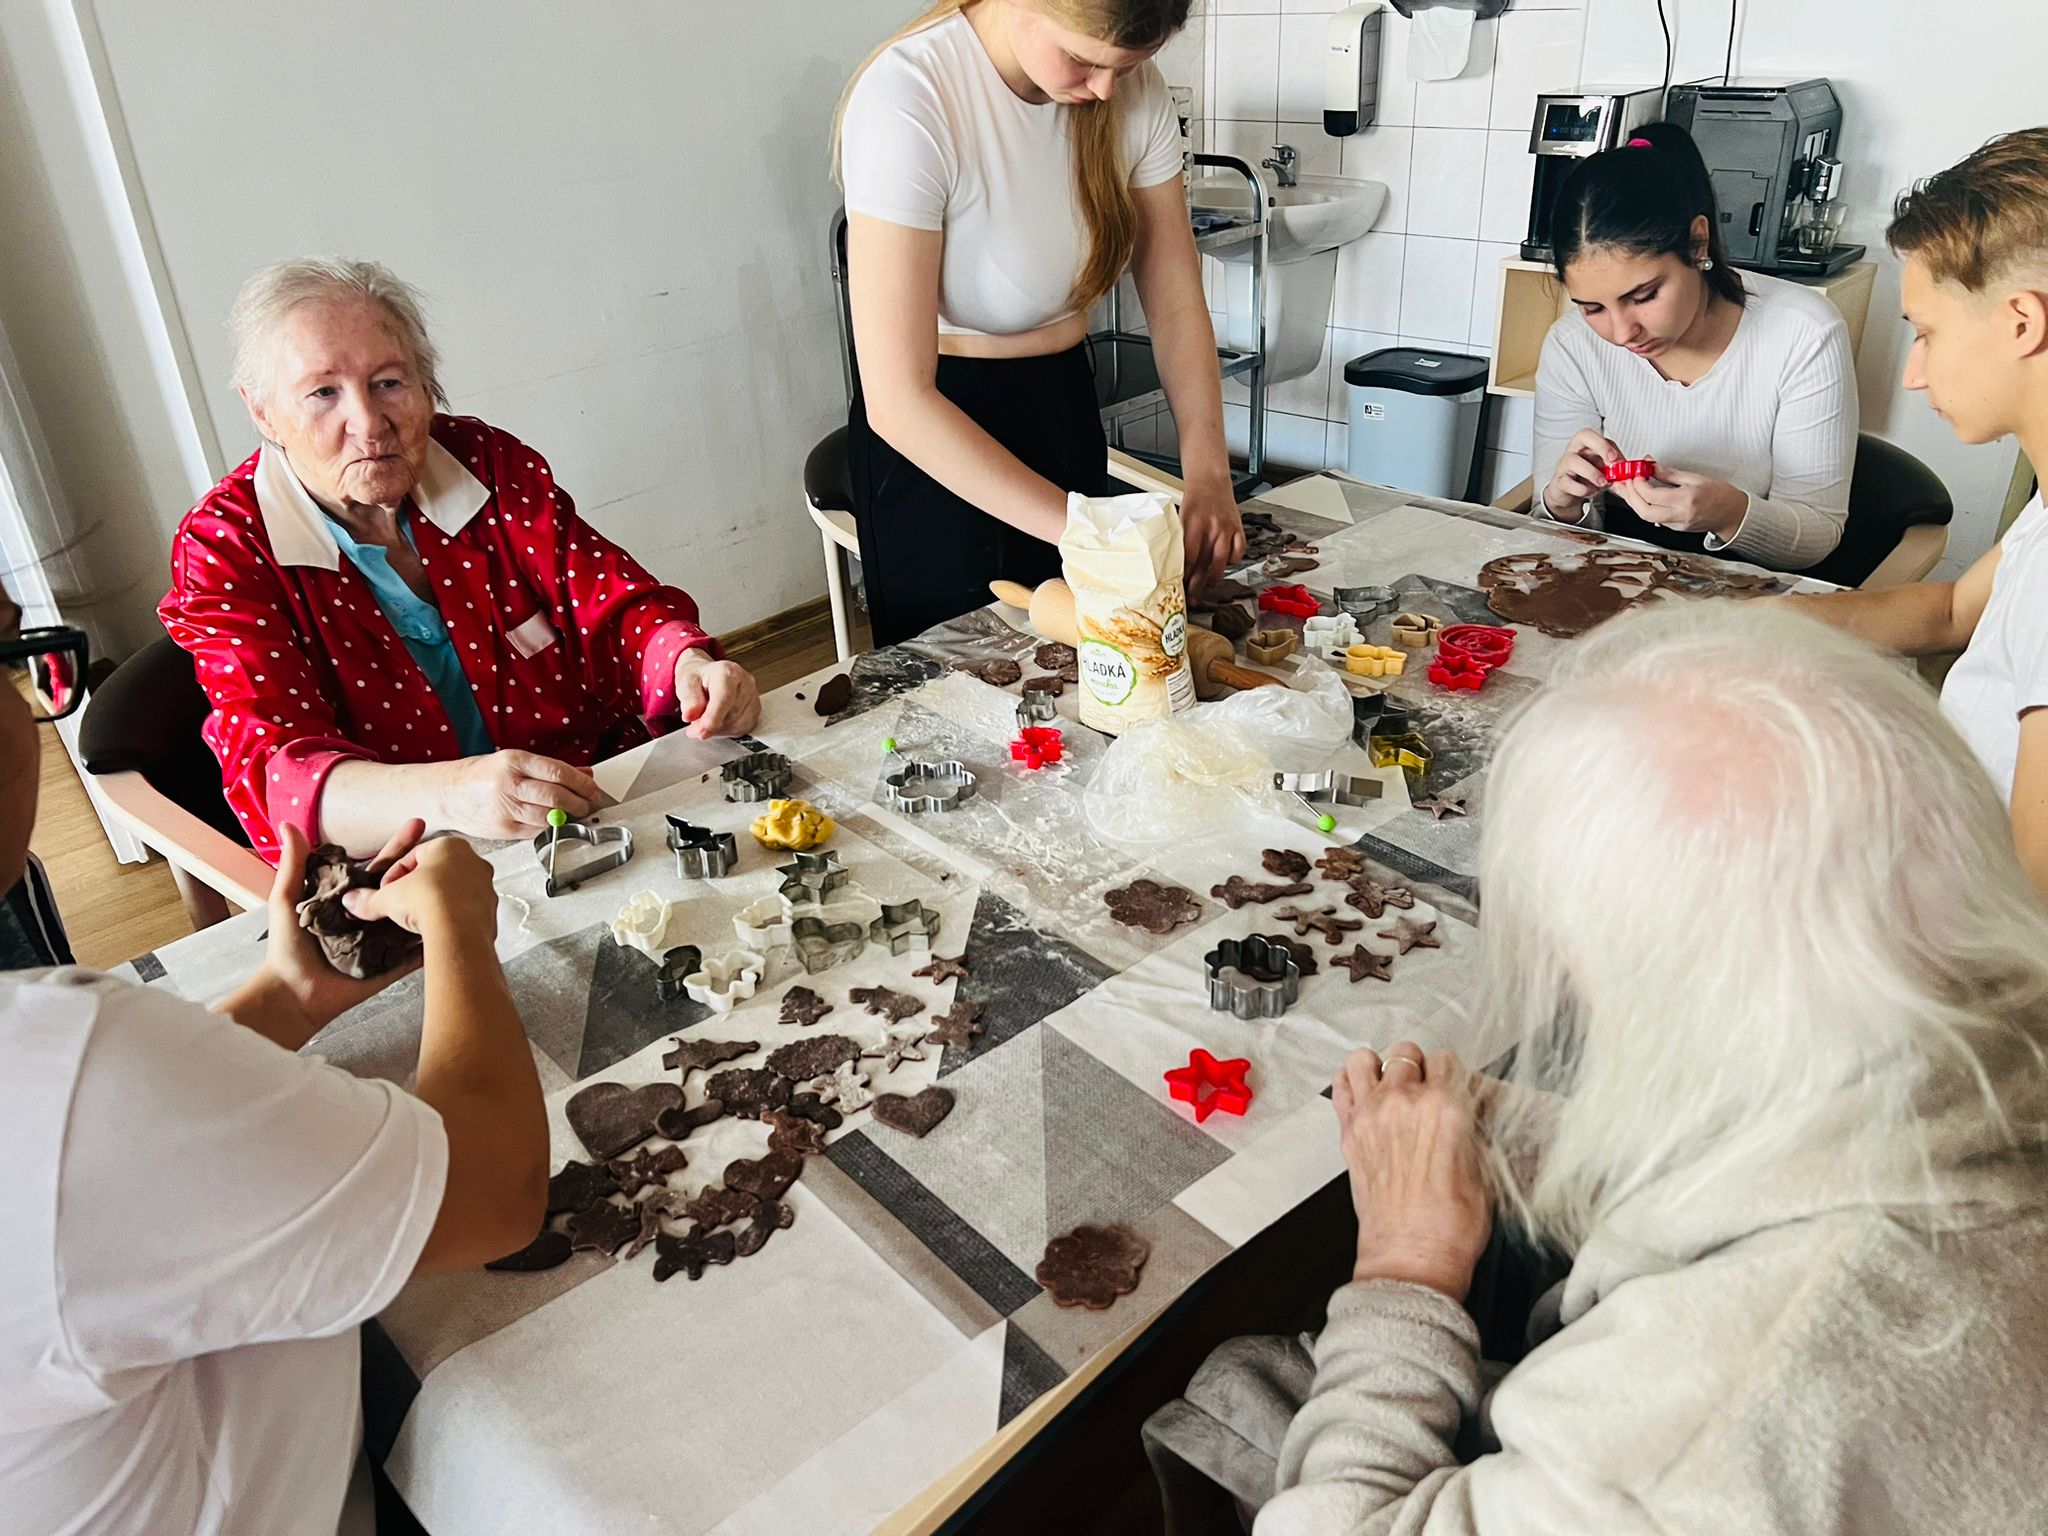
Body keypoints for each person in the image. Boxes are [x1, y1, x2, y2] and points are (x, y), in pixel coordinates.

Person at [1150, 601, 2048, 1534]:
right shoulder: (1999, 1017)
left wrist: (1404, 1268)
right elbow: (1805, 1157)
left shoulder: (1725, 1402)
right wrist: (1548, 1139)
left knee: (1240, 1384)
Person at [0, 617, 549, 1533]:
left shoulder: (66, 1087)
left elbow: (118, 1160)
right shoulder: (60, 1074)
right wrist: (461, 927)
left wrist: (285, 999)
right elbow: (493, 1190)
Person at [159, 258, 762, 861]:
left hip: (587, 800)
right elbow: (282, 776)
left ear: (427, 387)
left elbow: (608, 599)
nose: (368, 423)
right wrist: (454, 794)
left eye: (388, 382)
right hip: (408, 866)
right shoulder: (226, 545)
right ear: (262, 410)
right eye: (323, 392)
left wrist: (685, 663)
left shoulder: (484, 462)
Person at [836, 0, 1243, 646]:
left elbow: (1174, 298)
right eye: (1083, 60)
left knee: (1092, 669)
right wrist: (1086, 532)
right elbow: (898, 400)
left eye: (1125, 68)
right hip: (937, 443)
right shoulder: (910, 96)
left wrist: (1209, 470)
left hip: (1063, 410)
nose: (1105, 90)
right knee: (962, 690)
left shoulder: (1131, 92)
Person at [1796, 128, 2048, 897]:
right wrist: (1750, 621)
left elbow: (2029, 900)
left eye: (1927, 334)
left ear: (2022, 322)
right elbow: (1951, 611)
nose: (1913, 373)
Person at [1533, 122, 1858, 571]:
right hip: (1611, 578)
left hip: (1748, 588)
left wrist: (1728, 513)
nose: (1623, 333)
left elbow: (1817, 535)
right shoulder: (1572, 345)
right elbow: (1550, 531)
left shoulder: (1802, 332)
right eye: (1593, 308)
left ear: (1698, 243)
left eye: (1644, 296)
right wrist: (1561, 503)